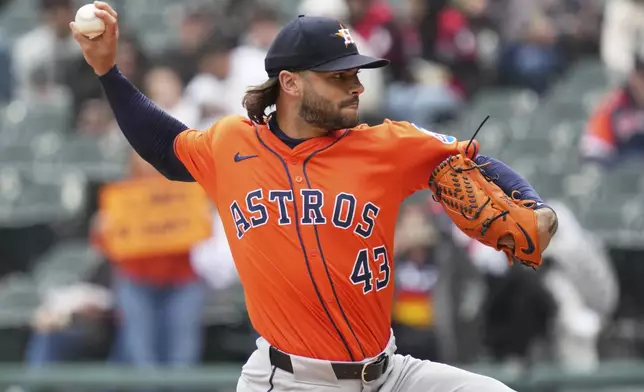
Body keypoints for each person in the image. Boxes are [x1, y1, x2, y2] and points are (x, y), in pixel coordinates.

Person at [69, 3, 558, 391]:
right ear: (291, 83)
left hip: (390, 374)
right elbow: (163, 144)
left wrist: (535, 207)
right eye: (340, 76)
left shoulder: (386, 145)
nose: (357, 86)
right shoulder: (231, 144)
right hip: (290, 380)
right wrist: (108, 72)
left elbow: (474, 162)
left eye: (356, 74)